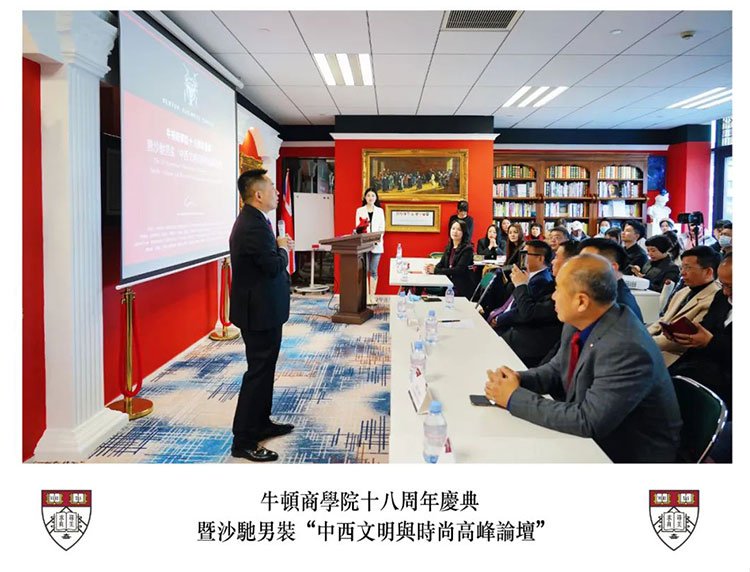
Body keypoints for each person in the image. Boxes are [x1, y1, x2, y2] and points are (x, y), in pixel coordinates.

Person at [484, 254, 682, 463]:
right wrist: (517, 379)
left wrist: (513, 398)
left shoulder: (626, 347)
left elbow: (588, 420)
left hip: (626, 454)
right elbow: (557, 369)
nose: (553, 297)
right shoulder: (580, 322)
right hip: (594, 437)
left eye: (558, 289)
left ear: (581, 301)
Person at [229, 169, 294, 462]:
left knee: (265, 369)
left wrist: (277, 248)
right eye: (272, 188)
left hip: (264, 309)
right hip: (258, 313)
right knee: (257, 373)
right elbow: (272, 266)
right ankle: (243, 441)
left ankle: (261, 423)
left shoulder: (256, 220)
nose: (277, 193)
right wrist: (282, 249)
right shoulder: (252, 225)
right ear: (258, 194)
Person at [668, 253, 732, 414]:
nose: (725, 292)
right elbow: (707, 326)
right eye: (723, 285)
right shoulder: (721, 297)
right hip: (698, 365)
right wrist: (686, 334)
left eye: (731, 287)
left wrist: (710, 342)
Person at [488, 240, 560, 367]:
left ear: (540, 258)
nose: (521, 259)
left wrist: (499, 319)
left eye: (525, 255)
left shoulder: (542, 281)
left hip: (518, 333)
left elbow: (524, 311)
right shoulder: (527, 275)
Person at [647, 246, 721, 367]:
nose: (682, 273)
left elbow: (684, 339)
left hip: (676, 357)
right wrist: (644, 334)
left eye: (688, 268)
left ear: (708, 271)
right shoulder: (683, 291)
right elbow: (664, 319)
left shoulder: (714, 299)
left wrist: (644, 342)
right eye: (682, 267)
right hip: (656, 346)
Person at [578, 237, 643, 322]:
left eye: (586, 262)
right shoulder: (603, 293)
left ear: (612, 267)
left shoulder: (619, 307)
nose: (578, 268)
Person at [425, 219, 475, 297]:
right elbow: (442, 263)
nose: (455, 231)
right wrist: (431, 268)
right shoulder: (449, 247)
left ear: (464, 233)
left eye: (459, 230)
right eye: (453, 228)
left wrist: (435, 270)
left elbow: (458, 270)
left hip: (460, 287)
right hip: (448, 284)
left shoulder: (467, 249)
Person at [355, 188, 385, 305]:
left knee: (373, 270)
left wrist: (376, 239)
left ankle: (373, 296)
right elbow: (358, 227)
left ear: (376, 198)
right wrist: (366, 239)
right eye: (368, 195)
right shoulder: (359, 210)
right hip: (364, 245)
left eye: (373, 195)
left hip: (377, 245)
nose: (370, 198)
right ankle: (366, 296)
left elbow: (382, 228)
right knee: (364, 270)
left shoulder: (380, 211)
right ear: (365, 197)